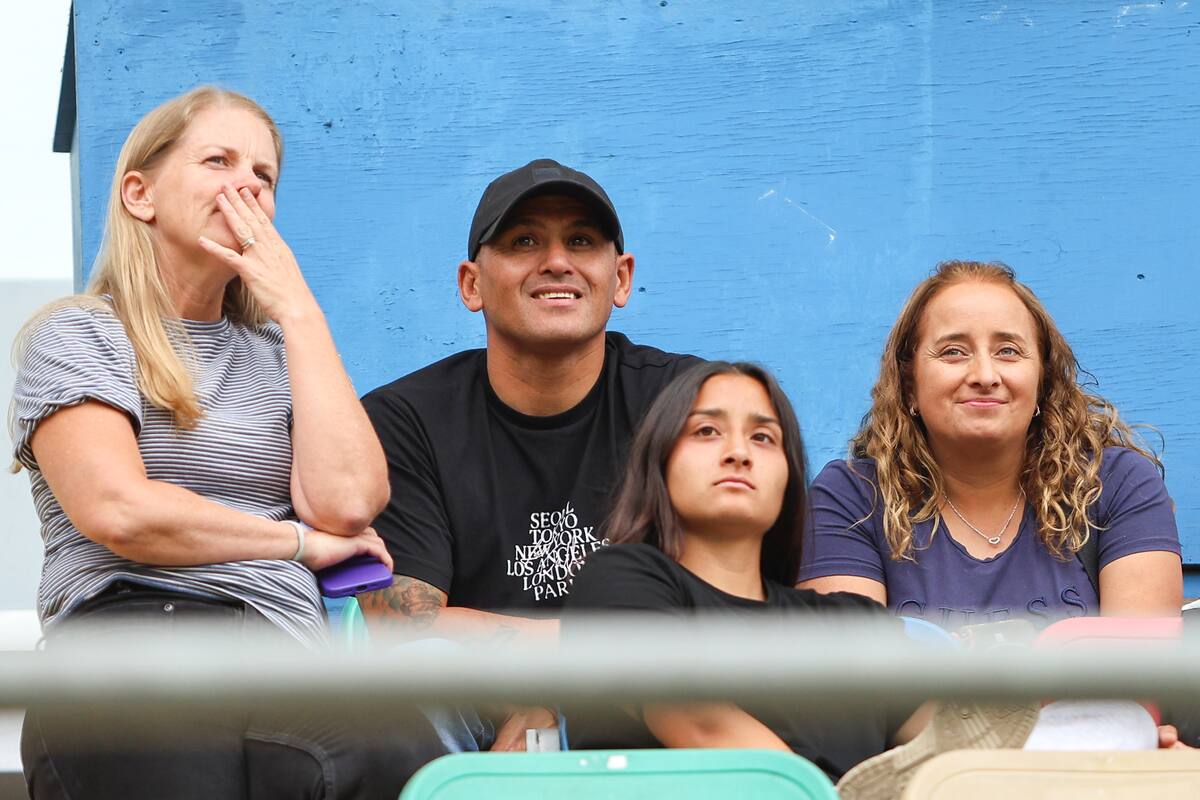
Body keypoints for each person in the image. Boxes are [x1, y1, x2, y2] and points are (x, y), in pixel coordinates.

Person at [11, 85, 438, 798]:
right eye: (218, 160)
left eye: (264, 177)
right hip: (134, 633)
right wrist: (296, 545)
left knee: (409, 757)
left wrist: (298, 309)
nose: (247, 185)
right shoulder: (80, 334)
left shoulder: (275, 350)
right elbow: (120, 511)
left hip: (285, 654)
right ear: (140, 195)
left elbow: (349, 506)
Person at [560, 361, 1036, 786]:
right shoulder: (619, 580)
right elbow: (698, 721)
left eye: (763, 437)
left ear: (788, 478)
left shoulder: (851, 624)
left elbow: (966, 748)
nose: (738, 453)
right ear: (659, 462)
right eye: (706, 431)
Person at [359, 158, 699, 749]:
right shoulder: (403, 418)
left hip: (650, 703)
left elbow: (720, 611)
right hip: (475, 710)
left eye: (581, 240)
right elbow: (403, 627)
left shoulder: (685, 403)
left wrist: (566, 704)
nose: (557, 261)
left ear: (621, 278)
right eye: (523, 241)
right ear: (471, 284)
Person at [797, 260, 1181, 628]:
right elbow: (850, 682)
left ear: (1042, 383)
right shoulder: (852, 498)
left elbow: (1137, 676)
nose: (984, 374)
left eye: (1008, 351)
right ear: (909, 385)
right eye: (953, 352)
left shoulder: (1115, 486)